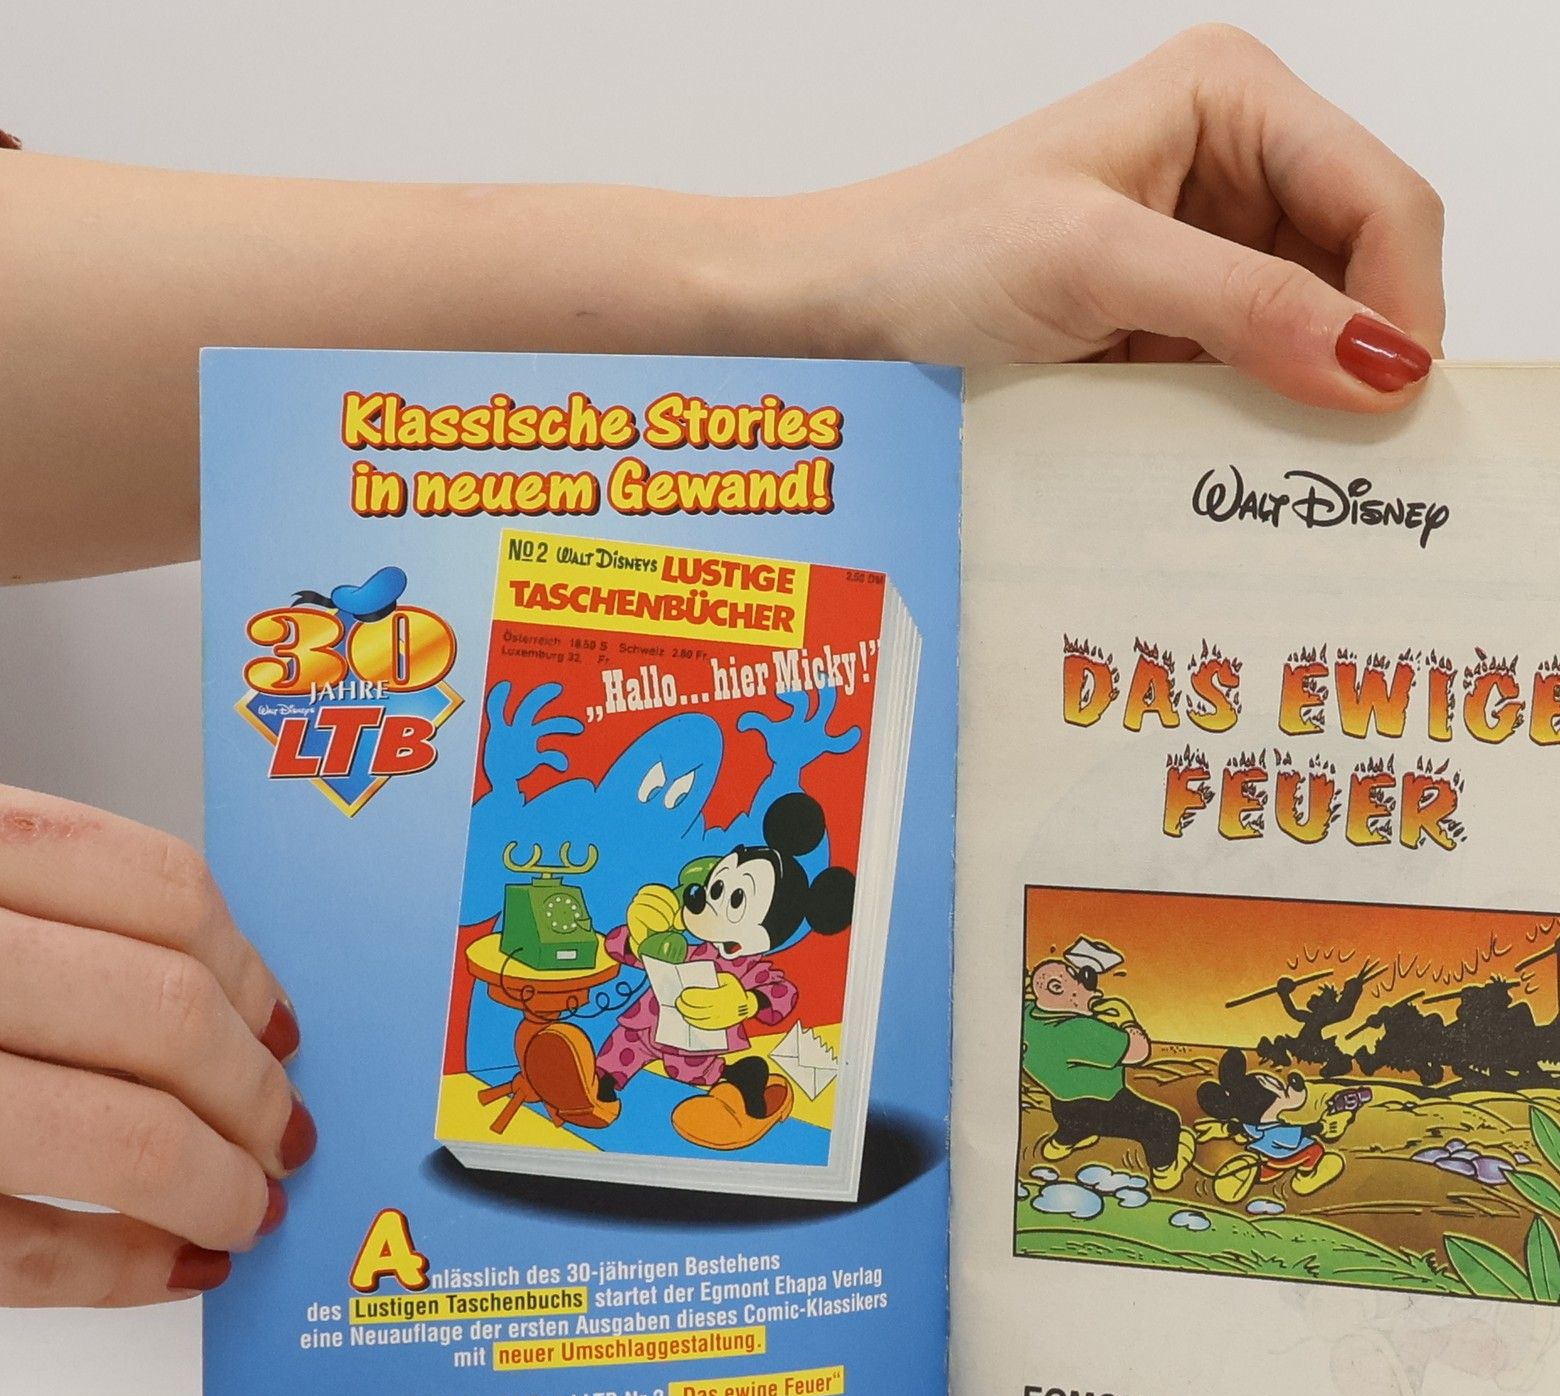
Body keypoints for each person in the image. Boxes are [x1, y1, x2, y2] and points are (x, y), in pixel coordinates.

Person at [0, 25, 1444, 1305]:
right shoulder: (680, 926)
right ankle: (601, 1093)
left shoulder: (769, 962)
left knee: (754, 1058)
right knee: (631, 1036)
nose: (721, 899)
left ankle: (726, 1108)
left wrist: (813, 286)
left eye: (735, 892)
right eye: (720, 890)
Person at [1022, 959, 1195, 1192]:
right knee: (1164, 1122)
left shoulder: (1027, 1016)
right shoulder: (1079, 1030)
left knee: (1073, 1122)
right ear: (1056, 988)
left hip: (1063, 1106)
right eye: (1079, 979)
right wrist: (1126, 1020)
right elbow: (1138, 1052)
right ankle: (1165, 1172)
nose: (1090, 986)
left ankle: (1060, 1143)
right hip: (1103, 1105)